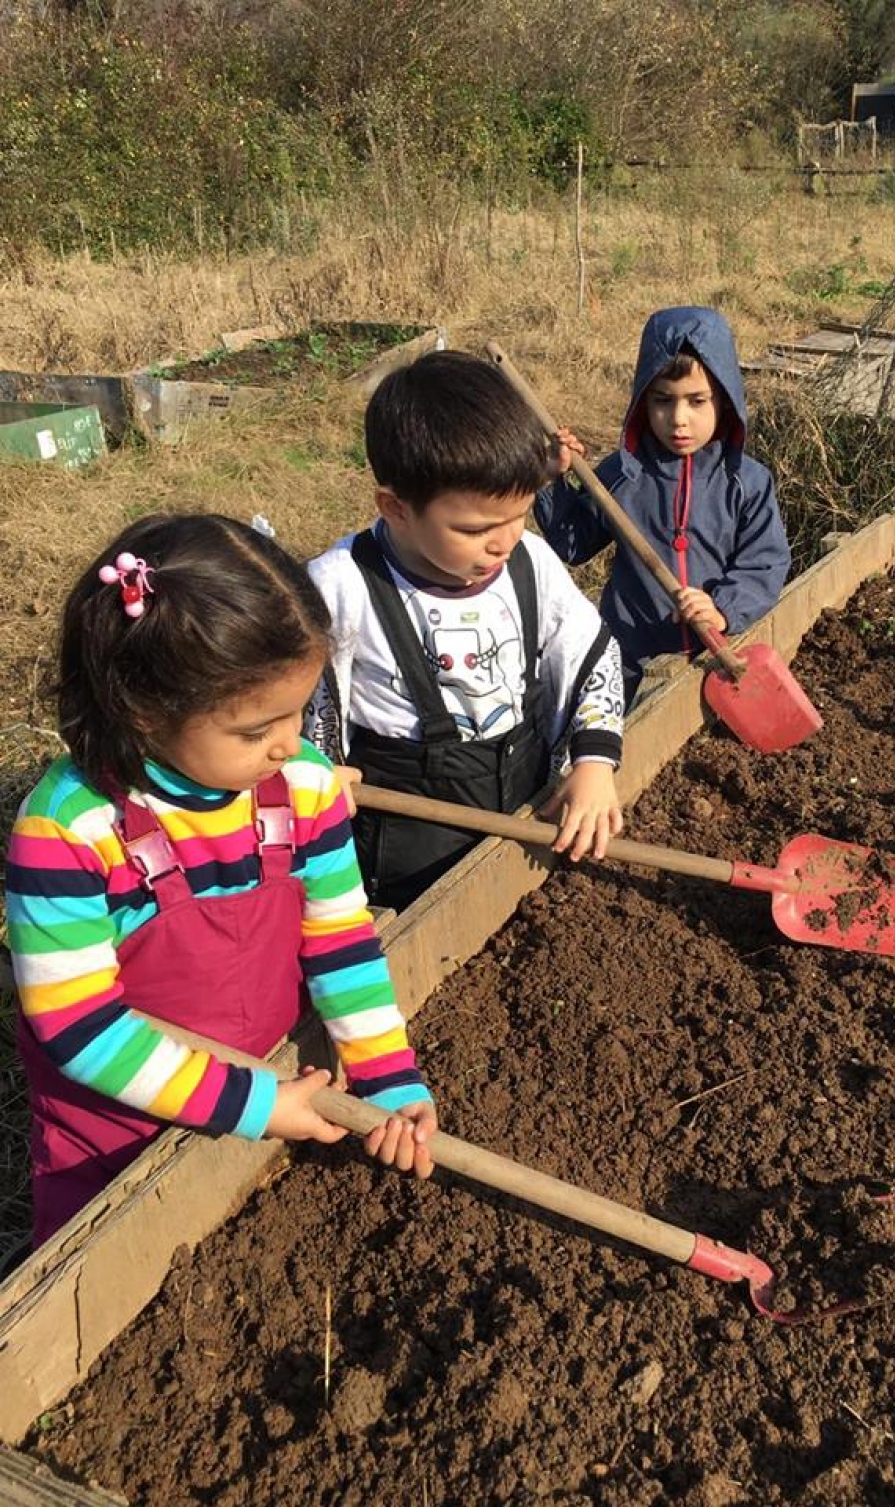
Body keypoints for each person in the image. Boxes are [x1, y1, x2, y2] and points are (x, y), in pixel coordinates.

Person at [5, 514, 436, 1249]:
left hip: (267, 1070)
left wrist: (388, 1076)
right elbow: (81, 1028)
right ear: (145, 710)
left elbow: (341, 941)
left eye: (298, 710)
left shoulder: (302, 788)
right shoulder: (69, 830)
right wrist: (256, 1103)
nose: (287, 740)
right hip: (117, 1125)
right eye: (253, 728)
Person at [305, 350, 624, 912]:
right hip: (406, 825)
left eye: (519, 515)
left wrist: (595, 764)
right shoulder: (344, 586)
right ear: (396, 508)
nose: (503, 541)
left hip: (522, 789)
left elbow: (590, 655)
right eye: (475, 528)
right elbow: (299, 700)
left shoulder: (530, 562)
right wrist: (318, 771)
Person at [535, 305, 791, 703]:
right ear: (642, 402)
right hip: (631, 656)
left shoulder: (746, 481)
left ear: (724, 399)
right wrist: (553, 480)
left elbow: (765, 562)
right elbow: (573, 544)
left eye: (697, 401)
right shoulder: (623, 474)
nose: (678, 419)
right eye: (662, 401)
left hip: (717, 659)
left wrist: (722, 607)